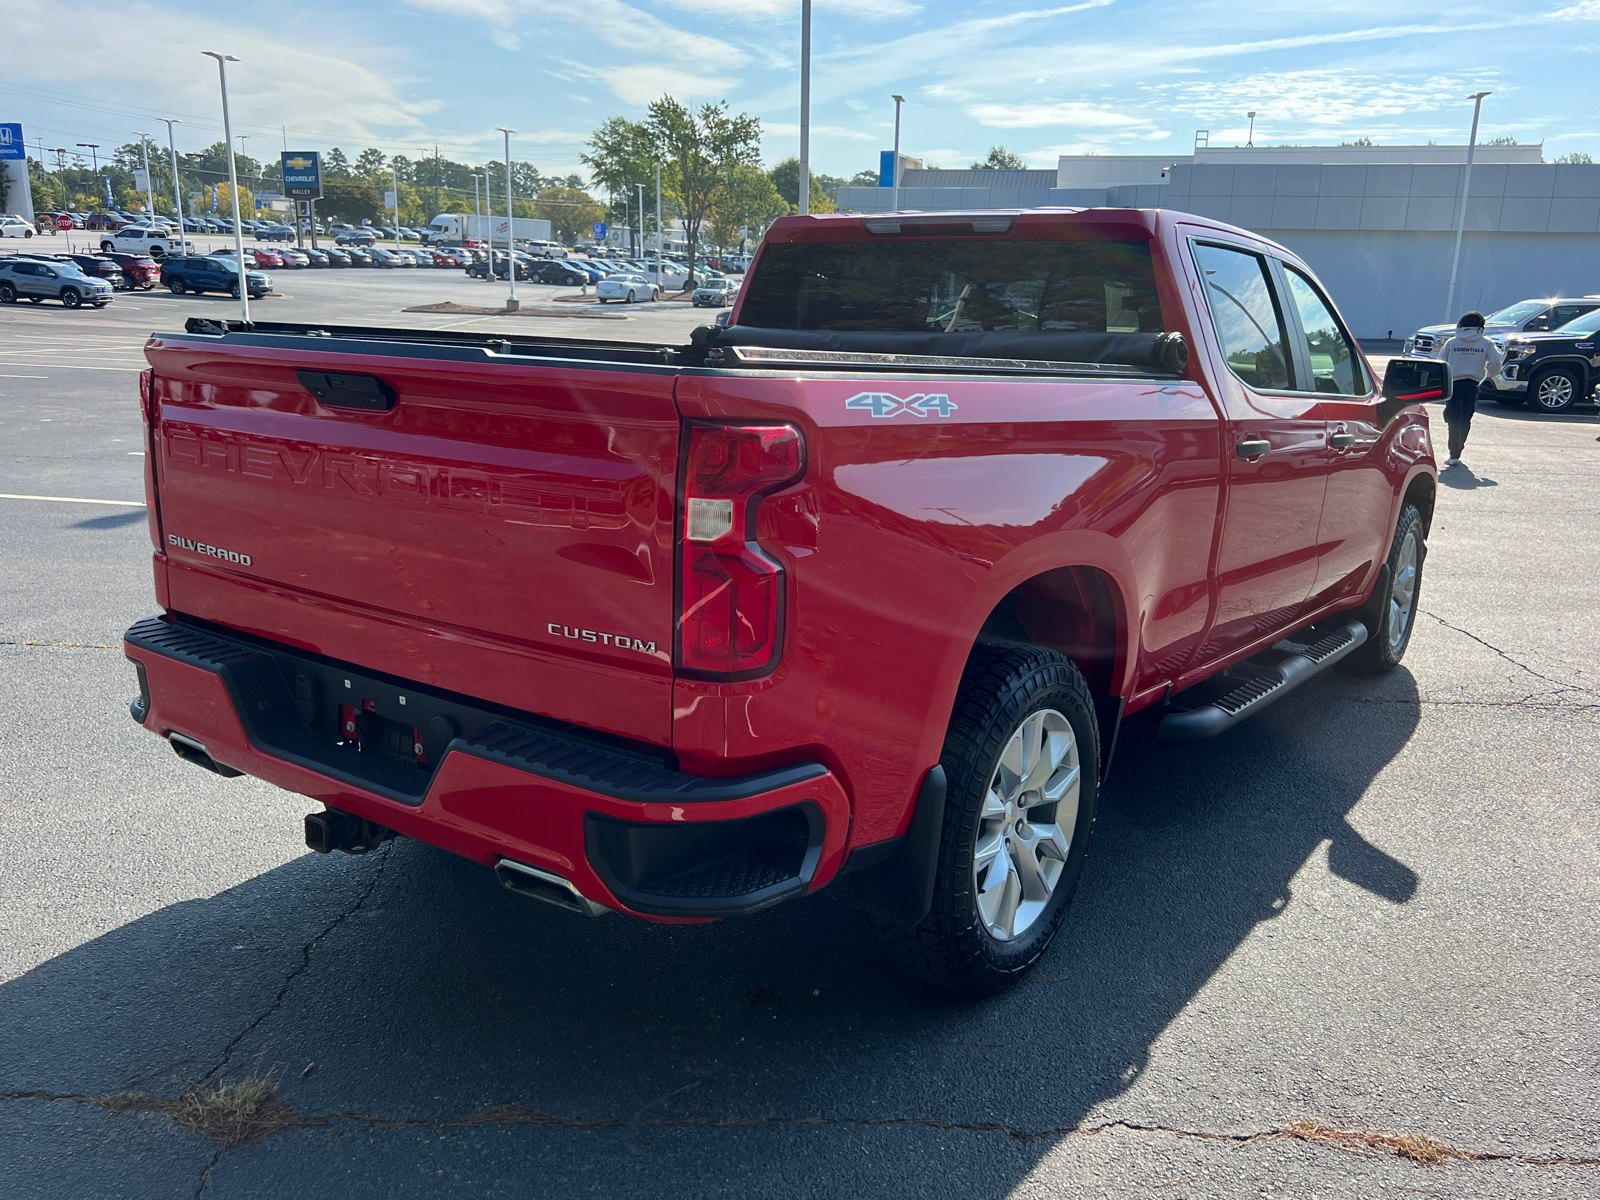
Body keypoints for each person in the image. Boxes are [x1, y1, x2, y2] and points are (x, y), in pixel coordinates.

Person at [1436, 311, 1504, 466]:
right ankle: (1458, 450)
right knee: (1465, 417)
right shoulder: (1486, 343)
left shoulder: (1452, 342)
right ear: (1481, 326)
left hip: (1453, 384)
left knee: (1453, 417)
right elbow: (1496, 361)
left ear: (1461, 325)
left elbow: (1440, 362)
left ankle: (1453, 452)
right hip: (1472, 384)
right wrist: (1490, 375)